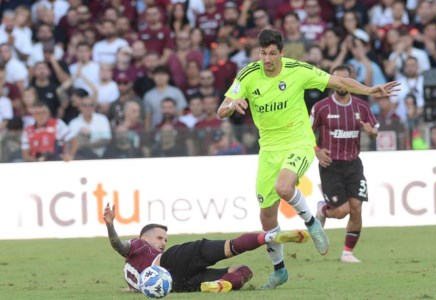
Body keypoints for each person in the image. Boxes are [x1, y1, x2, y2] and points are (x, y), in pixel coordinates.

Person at [217, 29, 399, 289]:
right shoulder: (247, 74)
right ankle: (279, 270)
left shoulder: (298, 70)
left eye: (272, 54)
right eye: (262, 53)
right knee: (267, 218)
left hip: (298, 142)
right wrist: (230, 107)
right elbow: (221, 109)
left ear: (282, 53)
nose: (267, 59)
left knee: (284, 187)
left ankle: (312, 224)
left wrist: (370, 90)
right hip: (268, 149)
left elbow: (340, 82)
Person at [103, 203, 310, 293]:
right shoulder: (137, 245)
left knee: (243, 270)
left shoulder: (132, 274)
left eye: (165, 239)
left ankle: (218, 285)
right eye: (159, 238)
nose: (163, 242)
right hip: (171, 264)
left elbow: (133, 287)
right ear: (143, 238)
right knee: (230, 247)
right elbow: (118, 245)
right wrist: (111, 225)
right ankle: (270, 236)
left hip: (175, 286)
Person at [311, 65, 379, 263]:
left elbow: (374, 131)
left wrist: (372, 133)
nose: (341, 84)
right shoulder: (321, 107)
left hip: (353, 164)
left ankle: (347, 253)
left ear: (352, 81)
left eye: (346, 80)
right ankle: (323, 208)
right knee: (341, 212)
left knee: (356, 207)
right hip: (330, 165)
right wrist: (316, 151)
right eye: (337, 79)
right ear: (331, 81)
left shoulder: (361, 106)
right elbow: (306, 133)